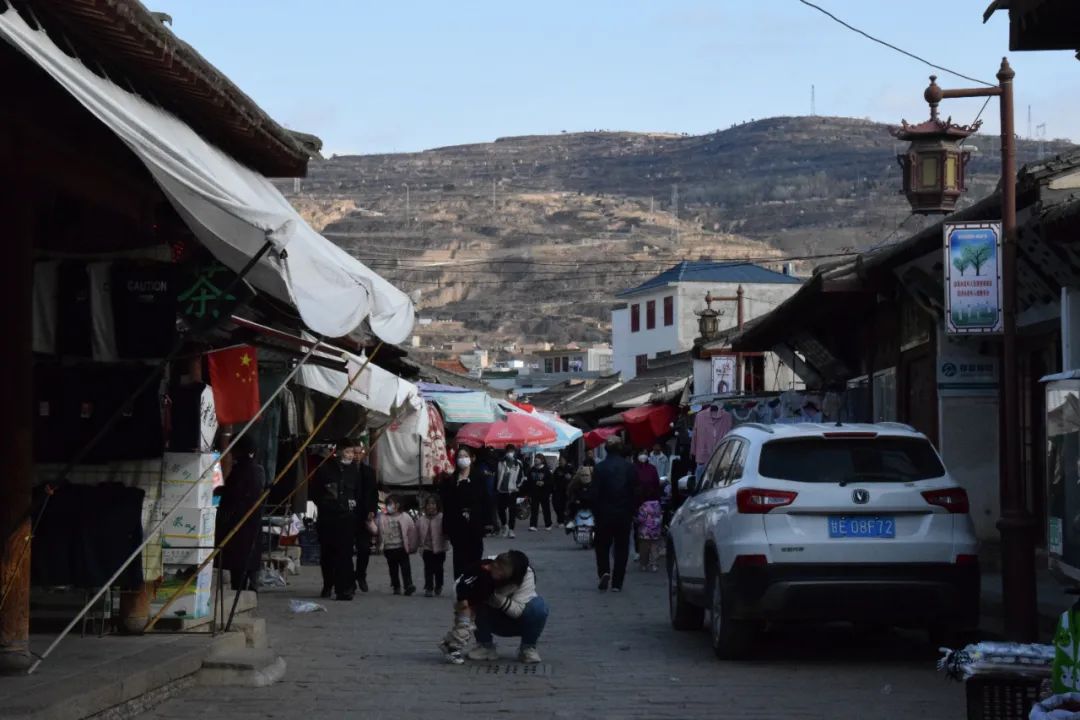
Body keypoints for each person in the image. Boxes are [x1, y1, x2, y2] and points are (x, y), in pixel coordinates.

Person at [466, 550, 549, 664]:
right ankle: (484, 645)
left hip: (517, 620)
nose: (499, 576)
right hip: (487, 618)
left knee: (538, 607)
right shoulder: (483, 567)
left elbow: (518, 611)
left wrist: (497, 598)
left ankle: (527, 648)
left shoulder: (526, 574)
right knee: (472, 601)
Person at [588, 436, 639, 592]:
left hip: (604, 514)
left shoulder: (600, 468)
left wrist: (595, 512)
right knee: (621, 548)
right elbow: (635, 492)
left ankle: (604, 571)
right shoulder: (629, 468)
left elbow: (594, 493)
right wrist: (632, 511)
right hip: (623, 514)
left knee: (602, 546)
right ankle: (617, 583)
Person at [217, 434, 265, 592]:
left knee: (240, 562)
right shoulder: (256, 468)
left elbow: (234, 494)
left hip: (240, 522)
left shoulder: (244, 470)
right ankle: (247, 589)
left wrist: (220, 491)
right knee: (247, 561)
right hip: (250, 522)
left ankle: (243, 591)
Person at [313, 439, 358, 600]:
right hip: (328, 518)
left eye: (352, 452)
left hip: (346, 519)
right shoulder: (325, 469)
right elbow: (316, 492)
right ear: (338, 451)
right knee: (327, 555)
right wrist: (327, 504)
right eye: (347, 452)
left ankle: (344, 589)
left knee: (344, 555)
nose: (350, 455)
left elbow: (358, 493)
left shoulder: (355, 470)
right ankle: (327, 585)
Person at [440, 446, 490, 578]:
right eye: (460, 456)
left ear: (472, 458)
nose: (463, 459)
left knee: (475, 556)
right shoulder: (451, 479)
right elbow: (447, 504)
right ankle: (459, 587)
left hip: (475, 523)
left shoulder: (479, 477)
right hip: (457, 525)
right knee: (459, 558)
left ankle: (473, 585)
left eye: (465, 456)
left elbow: (486, 501)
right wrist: (446, 528)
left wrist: (488, 523)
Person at [376, 494, 417, 596]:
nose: (388, 506)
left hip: (402, 548)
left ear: (397, 505)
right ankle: (396, 586)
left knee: (406, 568)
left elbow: (412, 532)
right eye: (387, 504)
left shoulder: (405, 517)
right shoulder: (383, 518)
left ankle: (408, 585)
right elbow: (377, 530)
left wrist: (412, 546)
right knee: (393, 569)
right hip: (389, 549)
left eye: (390, 504)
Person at [353, 443, 379, 593]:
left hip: (364, 516)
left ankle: (361, 575)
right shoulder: (346, 471)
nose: (356, 456)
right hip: (349, 515)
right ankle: (350, 577)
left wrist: (372, 511)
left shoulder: (369, 472)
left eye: (358, 453)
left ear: (363, 454)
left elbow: (373, 494)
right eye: (354, 453)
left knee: (364, 549)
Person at [634, 449, 663, 572]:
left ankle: (645, 563)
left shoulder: (652, 469)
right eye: (642, 453)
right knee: (651, 544)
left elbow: (656, 483)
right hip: (639, 502)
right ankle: (651, 563)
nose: (643, 456)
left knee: (644, 544)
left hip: (644, 506)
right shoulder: (634, 469)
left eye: (645, 453)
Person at [417, 495, 448, 597]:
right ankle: (429, 587)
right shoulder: (421, 519)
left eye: (433, 504)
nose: (431, 506)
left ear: (437, 506)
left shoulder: (442, 517)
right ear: (425, 506)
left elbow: (448, 530)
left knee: (439, 568)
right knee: (428, 568)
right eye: (428, 504)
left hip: (440, 548)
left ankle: (439, 585)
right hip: (427, 548)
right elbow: (415, 533)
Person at [495, 444, 526, 538]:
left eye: (512, 451)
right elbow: (497, 475)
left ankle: (511, 529)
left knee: (512, 510)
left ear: (515, 452)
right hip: (501, 490)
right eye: (509, 451)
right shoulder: (500, 462)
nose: (510, 453)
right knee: (501, 509)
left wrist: (517, 486)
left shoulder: (518, 463)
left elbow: (522, 476)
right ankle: (505, 526)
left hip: (512, 490)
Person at [527, 454, 554, 531]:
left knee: (546, 509)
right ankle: (533, 525)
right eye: (535, 458)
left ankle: (548, 524)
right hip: (534, 493)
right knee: (534, 509)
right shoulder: (532, 470)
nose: (536, 460)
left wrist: (544, 483)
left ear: (542, 460)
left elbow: (551, 481)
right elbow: (529, 481)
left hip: (544, 493)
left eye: (538, 459)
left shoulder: (546, 470)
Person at [551, 455, 574, 528]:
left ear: (565, 461)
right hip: (558, 491)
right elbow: (553, 479)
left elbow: (575, 477)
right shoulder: (557, 469)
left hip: (567, 491)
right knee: (556, 505)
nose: (560, 461)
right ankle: (560, 520)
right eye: (560, 460)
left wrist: (570, 477)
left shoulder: (570, 469)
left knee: (565, 506)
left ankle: (563, 521)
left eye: (562, 460)